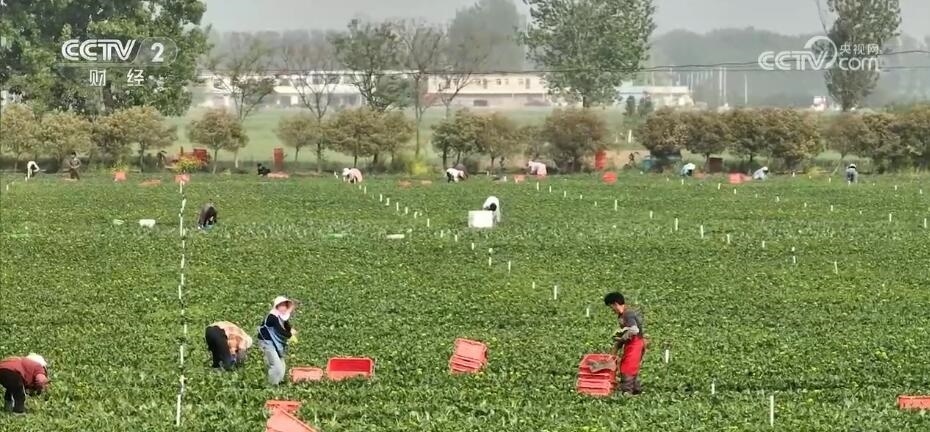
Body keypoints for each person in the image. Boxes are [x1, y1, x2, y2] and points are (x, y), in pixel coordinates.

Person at [603, 292, 645, 395]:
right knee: (627, 365)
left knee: (627, 367)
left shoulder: (628, 314)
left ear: (615, 304)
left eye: (611, 307)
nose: (612, 310)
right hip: (630, 344)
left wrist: (623, 335)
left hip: (636, 343)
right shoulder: (621, 316)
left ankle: (627, 391)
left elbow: (634, 330)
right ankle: (636, 389)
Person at [257, 296, 297, 385]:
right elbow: (280, 330)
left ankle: (279, 382)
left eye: (285, 305)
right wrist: (290, 335)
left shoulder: (282, 317)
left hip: (276, 343)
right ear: (277, 306)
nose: (283, 307)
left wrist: (290, 331)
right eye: (281, 305)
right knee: (276, 366)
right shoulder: (272, 317)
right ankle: (272, 385)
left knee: (282, 366)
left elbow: (286, 327)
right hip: (267, 342)